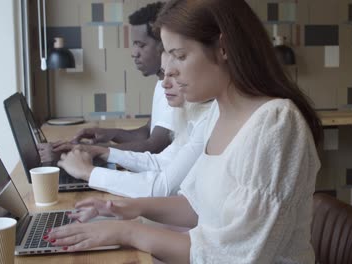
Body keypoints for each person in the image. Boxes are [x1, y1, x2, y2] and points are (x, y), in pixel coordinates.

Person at [45, 0, 322, 263]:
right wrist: (130, 209)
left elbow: (233, 255)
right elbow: (197, 206)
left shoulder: (276, 123)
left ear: (223, 48)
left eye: (180, 56)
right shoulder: (218, 112)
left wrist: (126, 232)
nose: (171, 72)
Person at [57, 52, 212, 198]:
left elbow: (162, 188)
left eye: (174, 74)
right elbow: (160, 162)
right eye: (164, 73)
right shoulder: (194, 114)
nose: (164, 84)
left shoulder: (207, 120)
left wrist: (87, 172)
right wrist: (102, 151)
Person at [38, 2, 173, 163]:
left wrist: (82, 151)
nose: (134, 53)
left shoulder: (174, 89)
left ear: (165, 44)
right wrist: (110, 133)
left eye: (141, 45)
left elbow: (153, 146)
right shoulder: (161, 83)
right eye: (134, 44)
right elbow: (146, 132)